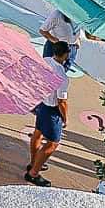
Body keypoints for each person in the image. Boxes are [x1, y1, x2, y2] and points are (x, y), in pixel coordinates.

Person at [26, 42, 71, 188]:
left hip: (42, 105)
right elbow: (62, 101)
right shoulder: (62, 76)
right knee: (52, 143)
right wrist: (65, 117)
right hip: (52, 110)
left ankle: (34, 162)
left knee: (38, 133)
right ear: (65, 55)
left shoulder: (45, 61)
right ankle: (33, 173)